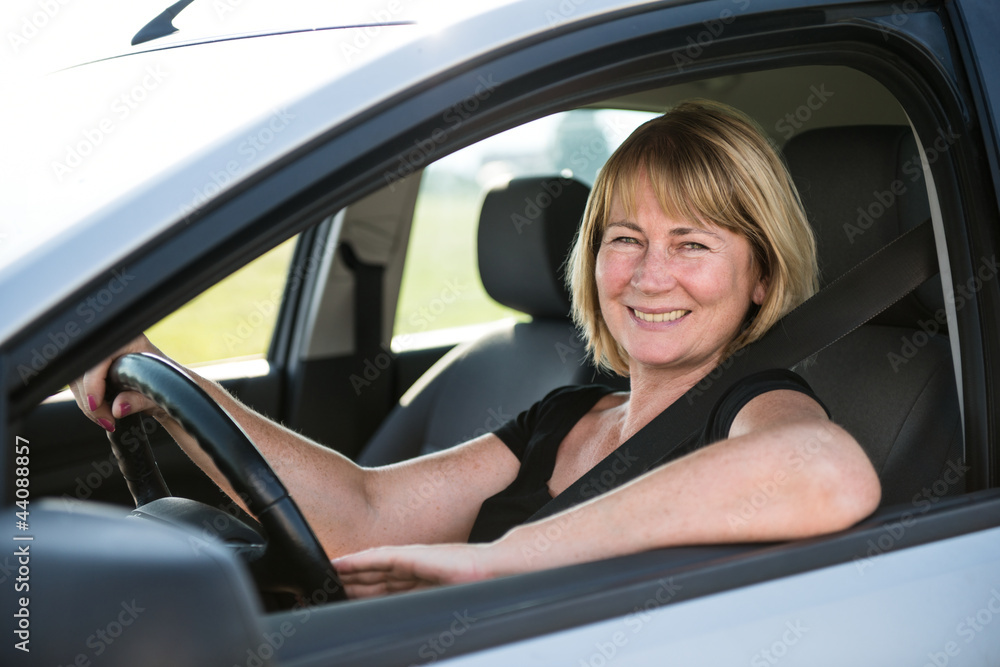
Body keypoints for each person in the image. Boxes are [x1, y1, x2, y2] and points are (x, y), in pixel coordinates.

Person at [71, 100, 881, 599]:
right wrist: (169, 382)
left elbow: (825, 470)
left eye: (693, 244)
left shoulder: (753, 406)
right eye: (625, 238)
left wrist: (502, 559)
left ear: (763, 277)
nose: (649, 275)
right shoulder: (566, 413)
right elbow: (361, 516)